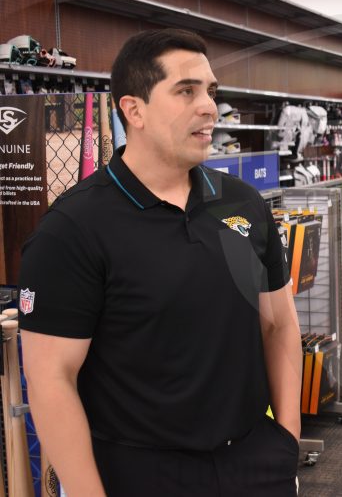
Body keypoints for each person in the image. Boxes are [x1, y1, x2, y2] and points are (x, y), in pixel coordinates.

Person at [18, 29, 302, 497]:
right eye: (186, 91)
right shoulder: (74, 228)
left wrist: (286, 440)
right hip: (137, 473)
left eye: (211, 90)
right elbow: (51, 378)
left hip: (254, 461)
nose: (209, 106)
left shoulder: (244, 204)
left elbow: (278, 324)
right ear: (134, 110)